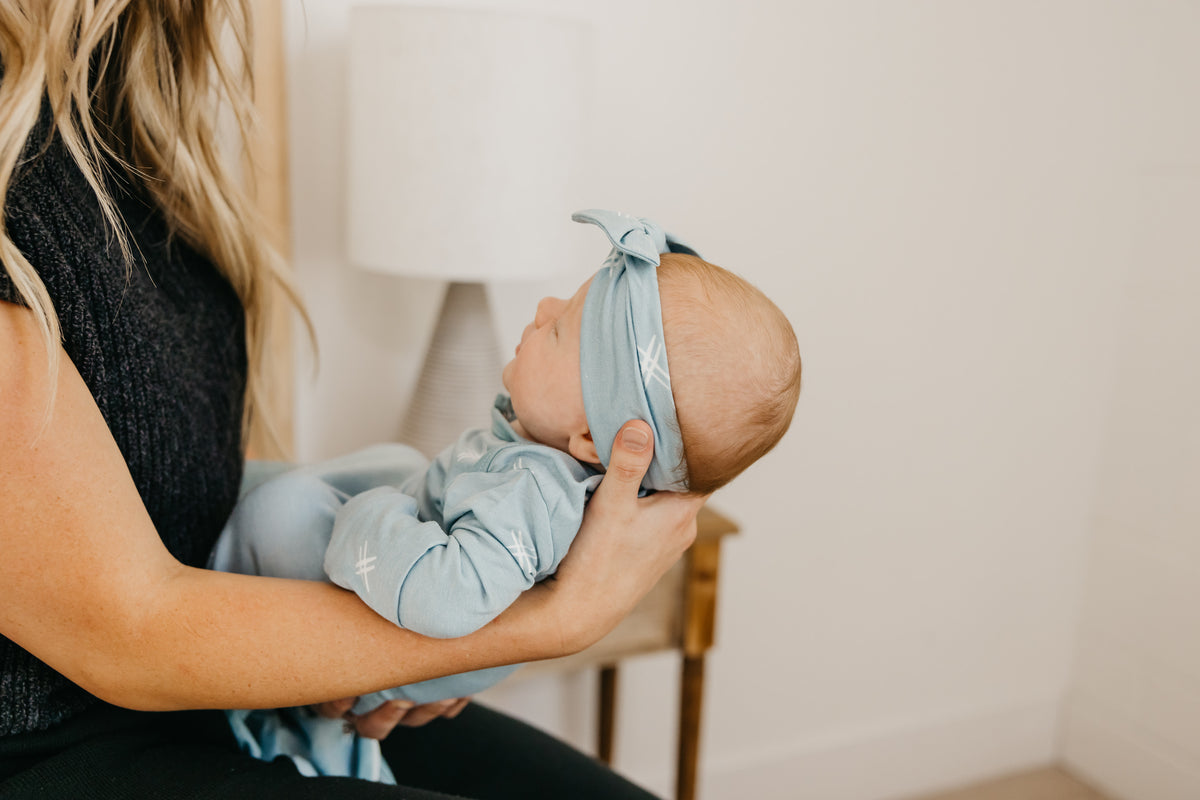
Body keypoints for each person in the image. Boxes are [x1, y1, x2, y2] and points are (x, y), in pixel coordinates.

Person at [0, 4, 703, 798]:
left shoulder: (119, 124)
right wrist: (547, 623)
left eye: (567, 327)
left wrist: (390, 636)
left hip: (219, 682)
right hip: (65, 741)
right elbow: (130, 634)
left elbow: (166, 467)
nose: (542, 311)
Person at [212, 209, 804, 782]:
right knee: (395, 463)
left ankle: (226, 571)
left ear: (590, 439)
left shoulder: (532, 493)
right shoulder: (542, 463)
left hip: (388, 631)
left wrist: (372, 513)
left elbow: (447, 598)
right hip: (405, 586)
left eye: (559, 329)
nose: (543, 308)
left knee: (282, 512)